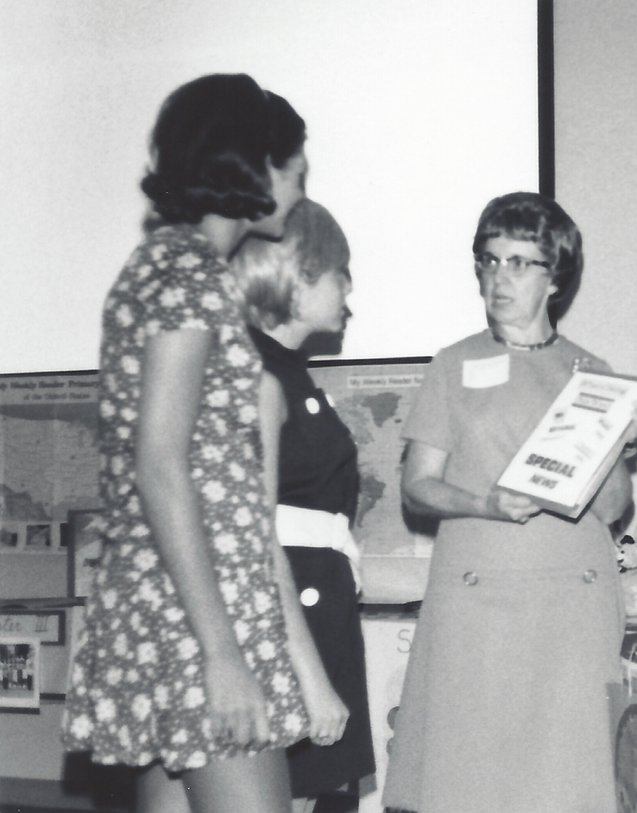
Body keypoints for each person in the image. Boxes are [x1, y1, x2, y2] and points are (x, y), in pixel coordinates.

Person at [63, 74, 347, 813]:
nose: (298, 184)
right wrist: (222, 654)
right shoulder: (190, 276)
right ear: (252, 166)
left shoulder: (157, 267)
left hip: (163, 609)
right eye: (293, 168)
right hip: (201, 615)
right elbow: (161, 464)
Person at [381, 191, 637, 813]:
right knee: (473, 779)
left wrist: (617, 444)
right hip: (480, 598)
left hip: (573, 602)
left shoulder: (593, 371)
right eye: (488, 260)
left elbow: (614, 507)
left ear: (554, 275)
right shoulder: (453, 365)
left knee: (570, 778)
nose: (496, 277)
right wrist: (486, 503)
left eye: (517, 262)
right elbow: (418, 487)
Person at [230, 199, 375, 813]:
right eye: (341, 272)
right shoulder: (255, 372)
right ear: (302, 274)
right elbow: (256, 538)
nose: (350, 292)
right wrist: (309, 679)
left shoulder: (288, 371)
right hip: (289, 633)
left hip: (322, 613)